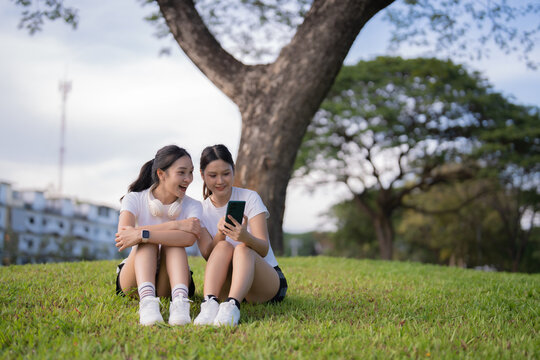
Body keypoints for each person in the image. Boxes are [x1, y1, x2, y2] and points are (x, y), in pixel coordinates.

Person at [193, 144, 288, 327]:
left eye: (226, 174)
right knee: (222, 246)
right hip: (227, 281)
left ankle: (232, 306)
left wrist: (245, 237)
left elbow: (263, 248)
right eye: (213, 175)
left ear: (233, 171)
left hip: (265, 282)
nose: (220, 181)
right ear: (202, 174)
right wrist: (221, 234)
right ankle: (209, 303)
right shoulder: (201, 210)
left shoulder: (250, 197)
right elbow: (208, 255)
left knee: (243, 250)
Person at [114, 145, 206, 326]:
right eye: (182, 172)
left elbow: (188, 239)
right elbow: (124, 235)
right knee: (147, 240)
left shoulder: (193, 205)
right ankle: (147, 303)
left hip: (170, 282)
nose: (188, 179)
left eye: (191, 172)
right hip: (133, 280)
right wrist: (175, 225)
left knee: (166, 240)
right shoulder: (134, 198)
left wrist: (143, 233)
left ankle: (180, 303)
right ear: (161, 174)